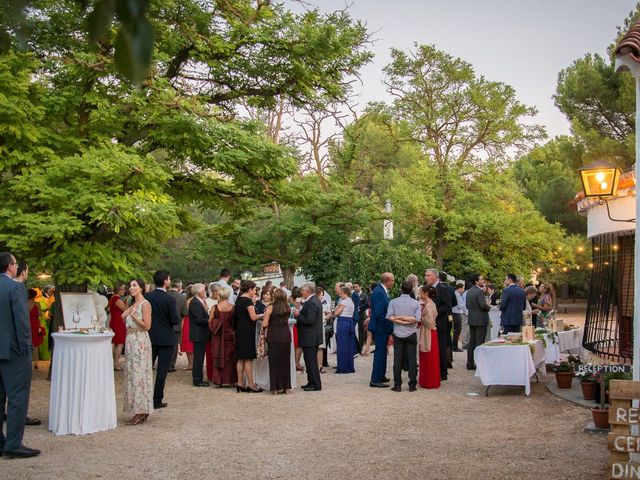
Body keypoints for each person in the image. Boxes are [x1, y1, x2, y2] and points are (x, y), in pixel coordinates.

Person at [0, 252, 40, 458]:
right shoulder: (15, 288)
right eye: (15, 264)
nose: (17, 267)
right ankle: (14, 443)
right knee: (17, 397)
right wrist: (27, 347)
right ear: (10, 267)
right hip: (14, 351)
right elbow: (22, 322)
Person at [145, 270, 181, 409]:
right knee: (162, 370)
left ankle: (145, 396)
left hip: (151, 336)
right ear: (166, 281)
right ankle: (157, 399)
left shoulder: (148, 297)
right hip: (166, 337)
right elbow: (175, 319)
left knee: (147, 368)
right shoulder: (169, 299)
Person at [122, 279, 153, 425]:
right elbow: (124, 319)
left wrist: (134, 316)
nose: (131, 288)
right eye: (130, 286)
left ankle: (142, 409)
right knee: (132, 374)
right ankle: (136, 407)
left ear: (141, 288)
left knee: (140, 374)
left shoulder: (145, 304)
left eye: (135, 285)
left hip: (140, 340)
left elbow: (147, 326)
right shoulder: (132, 304)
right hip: (130, 340)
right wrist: (127, 314)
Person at [386, 280, 421, 392]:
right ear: (411, 290)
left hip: (398, 333)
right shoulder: (416, 303)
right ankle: (412, 385)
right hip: (411, 333)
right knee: (412, 359)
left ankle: (397, 384)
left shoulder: (393, 302)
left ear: (401, 289)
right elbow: (417, 319)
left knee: (397, 359)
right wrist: (407, 320)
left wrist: (399, 320)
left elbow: (389, 316)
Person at [233, 281, 264, 393]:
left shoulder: (239, 299)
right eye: (254, 289)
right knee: (248, 359)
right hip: (247, 331)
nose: (255, 291)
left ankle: (240, 383)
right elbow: (253, 317)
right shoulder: (247, 301)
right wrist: (264, 314)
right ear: (250, 289)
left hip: (240, 330)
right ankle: (251, 384)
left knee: (241, 358)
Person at [294, 283, 323, 391]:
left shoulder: (312, 302)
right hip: (311, 336)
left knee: (311, 362)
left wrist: (298, 316)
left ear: (307, 291)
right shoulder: (313, 300)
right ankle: (311, 381)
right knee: (309, 360)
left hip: (310, 336)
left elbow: (310, 320)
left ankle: (315, 384)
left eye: (303, 291)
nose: (302, 293)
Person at [263, 289, 291, 394]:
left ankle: (275, 388)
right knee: (285, 362)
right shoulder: (287, 307)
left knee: (274, 362)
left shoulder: (270, 307)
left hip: (274, 336)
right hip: (285, 335)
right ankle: (286, 387)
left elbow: (265, 324)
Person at [425, 269, 452, 381]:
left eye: (428, 275)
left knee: (441, 347)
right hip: (431, 323)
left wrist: (434, 313)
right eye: (425, 275)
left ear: (435, 277)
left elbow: (447, 306)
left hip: (440, 323)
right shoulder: (428, 288)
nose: (426, 277)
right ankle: (434, 370)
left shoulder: (443, 288)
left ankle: (443, 372)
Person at [369, 272, 395, 388]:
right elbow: (380, 313)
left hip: (382, 326)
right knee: (379, 352)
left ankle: (381, 375)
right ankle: (375, 379)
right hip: (380, 327)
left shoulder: (382, 290)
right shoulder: (379, 292)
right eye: (393, 280)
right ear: (388, 280)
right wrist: (389, 325)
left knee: (383, 352)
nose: (393, 283)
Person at [209, 286, 237, 387]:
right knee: (231, 358)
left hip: (218, 335)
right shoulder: (233, 307)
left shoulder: (215, 308)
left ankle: (219, 380)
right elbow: (235, 322)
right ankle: (231, 380)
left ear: (219, 295)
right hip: (230, 335)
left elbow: (210, 322)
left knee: (218, 356)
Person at [465, 274, 491, 370]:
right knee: (479, 342)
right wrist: (488, 307)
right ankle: (478, 363)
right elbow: (483, 306)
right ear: (476, 281)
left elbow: (467, 306)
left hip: (472, 318)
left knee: (472, 341)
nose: (482, 281)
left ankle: (469, 363)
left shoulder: (468, 292)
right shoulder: (479, 292)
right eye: (481, 279)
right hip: (480, 319)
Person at [188, 284, 210, 387]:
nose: (205, 291)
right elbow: (199, 319)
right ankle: (197, 379)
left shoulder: (199, 302)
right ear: (198, 292)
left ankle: (198, 378)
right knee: (198, 358)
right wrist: (211, 319)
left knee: (200, 357)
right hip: (199, 334)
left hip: (201, 333)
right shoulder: (195, 303)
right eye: (203, 290)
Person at [418, 285, 440, 389]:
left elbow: (430, 322)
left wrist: (420, 318)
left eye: (421, 292)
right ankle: (428, 380)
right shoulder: (429, 304)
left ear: (426, 294)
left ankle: (429, 381)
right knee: (427, 355)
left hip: (429, 332)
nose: (419, 294)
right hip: (429, 331)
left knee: (428, 354)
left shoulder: (429, 305)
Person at [333, 286, 356, 374]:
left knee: (342, 345)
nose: (340, 295)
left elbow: (336, 313)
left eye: (341, 293)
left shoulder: (344, 301)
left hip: (343, 322)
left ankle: (342, 367)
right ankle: (349, 366)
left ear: (345, 293)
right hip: (350, 322)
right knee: (349, 345)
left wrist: (336, 310)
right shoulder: (351, 301)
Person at [167, 279, 186, 373]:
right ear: (179, 287)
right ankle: (171, 365)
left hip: (164, 324)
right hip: (176, 325)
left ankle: (163, 363)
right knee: (174, 346)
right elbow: (184, 312)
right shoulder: (182, 298)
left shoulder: (165, 294)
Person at [108, 283, 127, 371]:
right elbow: (125, 310)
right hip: (118, 322)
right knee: (120, 343)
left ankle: (114, 363)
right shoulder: (117, 299)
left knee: (116, 343)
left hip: (114, 321)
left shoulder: (113, 297)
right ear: (119, 289)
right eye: (123, 289)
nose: (124, 291)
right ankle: (116, 363)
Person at [28, 289, 45, 369]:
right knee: (35, 343)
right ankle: (36, 362)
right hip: (35, 324)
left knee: (27, 341)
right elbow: (40, 314)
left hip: (27, 323)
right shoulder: (37, 304)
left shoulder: (24, 304)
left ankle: (28, 361)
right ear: (34, 296)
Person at [180, 286, 195, 371]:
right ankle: (191, 364)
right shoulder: (192, 300)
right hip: (189, 321)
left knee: (188, 343)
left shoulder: (188, 301)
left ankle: (190, 364)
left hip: (187, 321)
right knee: (190, 344)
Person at [451, 280, 467, 351]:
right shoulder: (456, 294)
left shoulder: (457, 294)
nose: (463, 290)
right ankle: (455, 346)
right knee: (457, 330)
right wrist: (465, 303)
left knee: (457, 330)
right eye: (463, 288)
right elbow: (460, 305)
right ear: (459, 288)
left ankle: (454, 345)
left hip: (457, 313)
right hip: (456, 313)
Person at [353, 282, 369, 354]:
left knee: (362, 331)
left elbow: (367, 304)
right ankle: (357, 346)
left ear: (360, 287)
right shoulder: (354, 295)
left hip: (362, 315)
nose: (355, 288)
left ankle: (361, 345)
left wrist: (360, 308)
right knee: (357, 330)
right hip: (356, 315)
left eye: (356, 287)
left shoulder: (364, 295)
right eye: (354, 287)